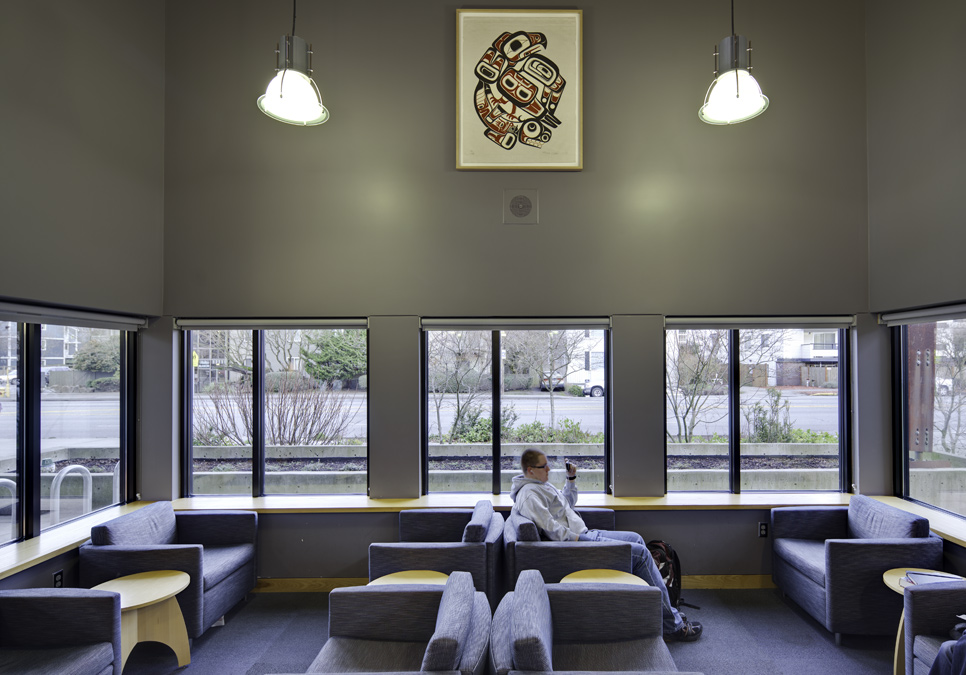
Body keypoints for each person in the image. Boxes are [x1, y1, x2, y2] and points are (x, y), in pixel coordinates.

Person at [509, 448, 703, 642]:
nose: (549, 469)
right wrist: (580, 540)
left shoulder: (540, 484)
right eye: (544, 466)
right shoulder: (529, 495)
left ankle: (656, 611)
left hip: (584, 533)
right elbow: (552, 530)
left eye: (548, 464)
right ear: (530, 470)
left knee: (635, 538)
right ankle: (672, 625)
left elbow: (566, 505)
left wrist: (571, 479)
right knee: (640, 555)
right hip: (575, 545)